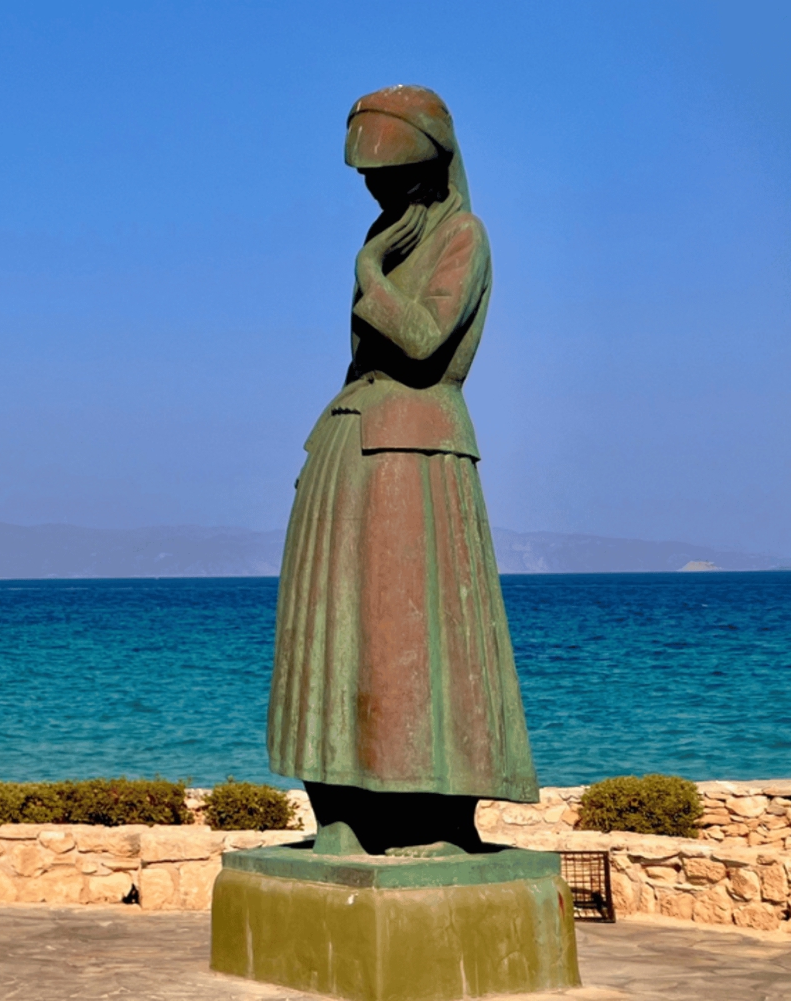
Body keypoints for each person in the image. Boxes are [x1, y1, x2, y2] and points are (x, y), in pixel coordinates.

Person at [266, 85, 539, 855]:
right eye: (370, 180)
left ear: (436, 163)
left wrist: (369, 272)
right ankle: (342, 811)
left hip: (416, 449)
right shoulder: (391, 235)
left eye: (392, 173)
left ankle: (440, 816)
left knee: (416, 636)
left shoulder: (463, 236)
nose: (379, 189)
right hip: (349, 447)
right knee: (334, 636)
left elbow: (421, 343)